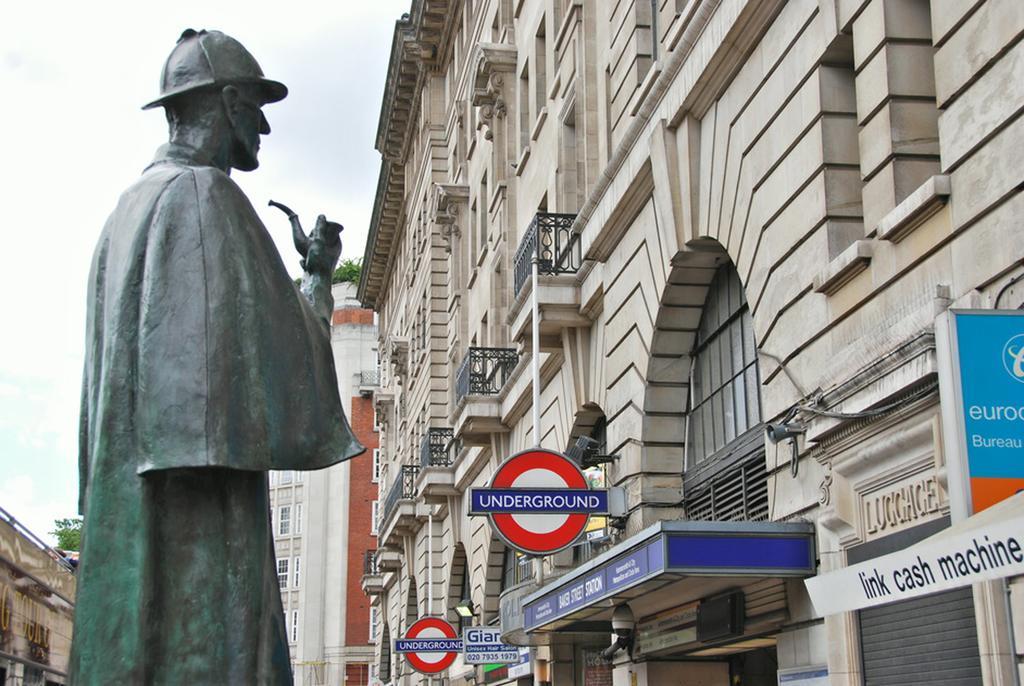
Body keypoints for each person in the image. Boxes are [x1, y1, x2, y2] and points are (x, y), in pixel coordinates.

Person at [69, 29, 363, 685]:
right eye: (256, 106)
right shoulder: (208, 197)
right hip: (200, 513)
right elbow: (281, 358)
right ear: (226, 102)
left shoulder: (124, 215)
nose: (262, 125)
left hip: (130, 505)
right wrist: (317, 282)